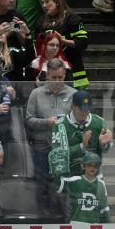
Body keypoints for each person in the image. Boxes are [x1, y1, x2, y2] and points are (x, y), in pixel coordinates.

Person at [26, 58, 73, 211]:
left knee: (62, 188)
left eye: (60, 77)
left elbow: (80, 122)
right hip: (41, 149)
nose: (57, 81)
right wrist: (47, 122)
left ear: (65, 75)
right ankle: (42, 219)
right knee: (41, 187)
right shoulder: (36, 93)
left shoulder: (74, 95)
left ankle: (62, 220)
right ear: (47, 75)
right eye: (53, 77)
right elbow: (28, 120)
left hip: (65, 152)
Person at [49, 90, 112, 183]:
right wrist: (82, 146)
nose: (85, 112)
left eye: (88, 109)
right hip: (69, 178)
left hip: (93, 178)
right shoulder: (60, 125)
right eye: (82, 109)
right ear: (73, 106)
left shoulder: (99, 122)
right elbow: (57, 155)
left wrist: (104, 145)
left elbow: (106, 149)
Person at [36, 0, 88, 88]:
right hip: (49, 73)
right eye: (42, 2)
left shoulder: (72, 18)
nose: (44, 5)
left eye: (47, 2)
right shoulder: (41, 21)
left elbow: (82, 43)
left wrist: (63, 41)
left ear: (57, 2)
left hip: (73, 72)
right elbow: (37, 48)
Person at [55, 150, 108, 222]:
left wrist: (107, 226)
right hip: (76, 221)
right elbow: (58, 186)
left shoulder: (101, 184)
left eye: (95, 166)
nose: (92, 168)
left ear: (98, 168)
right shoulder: (74, 180)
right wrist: (59, 169)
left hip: (94, 224)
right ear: (83, 166)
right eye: (89, 165)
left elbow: (104, 208)